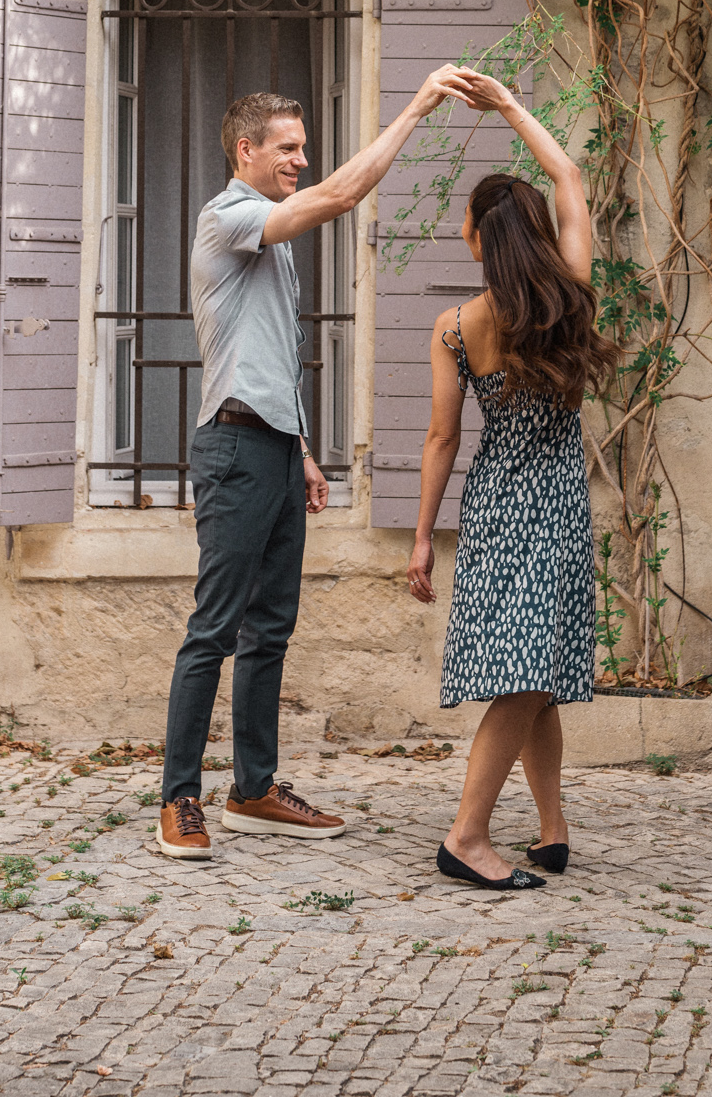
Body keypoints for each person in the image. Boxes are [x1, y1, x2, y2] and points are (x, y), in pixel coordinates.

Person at [156, 64, 473, 860]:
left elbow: (267, 351)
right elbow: (337, 199)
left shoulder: (266, 228)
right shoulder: (226, 216)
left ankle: (254, 788)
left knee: (271, 628)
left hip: (269, 447)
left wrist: (298, 448)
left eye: (303, 147)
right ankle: (180, 799)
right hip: (229, 447)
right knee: (214, 630)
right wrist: (418, 105)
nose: (301, 159)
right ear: (246, 150)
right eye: (288, 148)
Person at [407, 70, 613, 890]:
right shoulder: (569, 299)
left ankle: (524, 830)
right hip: (555, 499)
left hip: (496, 502)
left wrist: (424, 537)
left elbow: (441, 438)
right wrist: (511, 108)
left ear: (477, 239)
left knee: (535, 675)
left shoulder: (457, 327)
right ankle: (474, 837)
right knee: (534, 671)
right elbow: (569, 178)